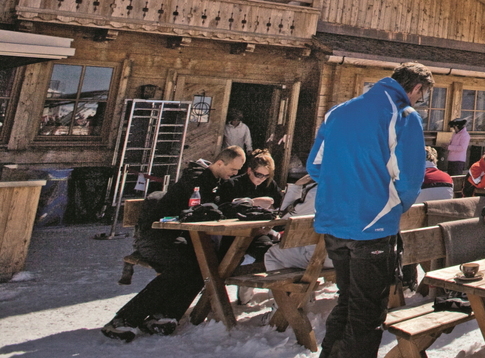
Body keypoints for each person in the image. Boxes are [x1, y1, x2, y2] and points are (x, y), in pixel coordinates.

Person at [309, 62, 432, 358]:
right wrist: (392, 206)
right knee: (365, 320)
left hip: (334, 224)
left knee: (346, 308)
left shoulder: (339, 111)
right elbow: (411, 178)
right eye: (423, 95)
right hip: (374, 228)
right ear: (413, 89)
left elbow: (315, 164)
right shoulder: (403, 116)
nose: (421, 102)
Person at [101, 146, 246, 341]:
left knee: (204, 264)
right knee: (184, 265)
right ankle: (123, 320)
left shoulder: (217, 183)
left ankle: (166, 315)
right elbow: (194, 212)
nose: (235, 174)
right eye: (233, 169)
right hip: (155, 238)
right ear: (220, 163)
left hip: (178, 238)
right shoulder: (195, 180)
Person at [263, 174, 332, 272]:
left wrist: (296, 186)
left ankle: (284, 287)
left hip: (319, 257)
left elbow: (285, 215)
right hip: (343, 255)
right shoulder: (351, 187)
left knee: (272, 254)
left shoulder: (315, 191)